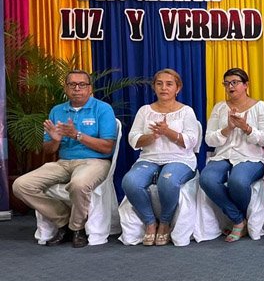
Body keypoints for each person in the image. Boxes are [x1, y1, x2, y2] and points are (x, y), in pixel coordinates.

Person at [13, 70, 116, 248]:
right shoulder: (57, 110)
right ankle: (62, 220)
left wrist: (77, 135)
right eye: (72, 85)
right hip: (63, 162)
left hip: (95, 161)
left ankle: (77, 228)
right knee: (21, 185)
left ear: (90, 88)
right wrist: (55, 140)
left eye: (82, 84)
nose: (77, 88)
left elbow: (108, 147)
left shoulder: (103, 109)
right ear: (66, 88)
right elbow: (48, 150)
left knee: (79, 184)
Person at [121, 69, 200, 246]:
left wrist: (167, 132)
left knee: (168, 181)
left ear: (177, 88)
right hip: (149, 158)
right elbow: (133, 138)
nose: (164, 88)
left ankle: (165, 223)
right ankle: (150, 223)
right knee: (130, 182)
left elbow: (191, 141)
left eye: (169, 84)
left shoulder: (186, 112)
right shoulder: (144, 111)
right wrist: (152, 137)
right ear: (154, 87)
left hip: (180, 159)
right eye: (159, 84)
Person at [200, 68, 264, 242]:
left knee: (237, 181)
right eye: (227, 83)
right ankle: (239, 220)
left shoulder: (260, 107)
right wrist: (228, 129)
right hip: (223, 155)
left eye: (235, 82)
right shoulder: (219, 108)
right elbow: (209, 139)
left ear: (246, 85)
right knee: (207, 179)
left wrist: (246, 128)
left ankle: (238, 219)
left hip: (251, 157)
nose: (230, 87)